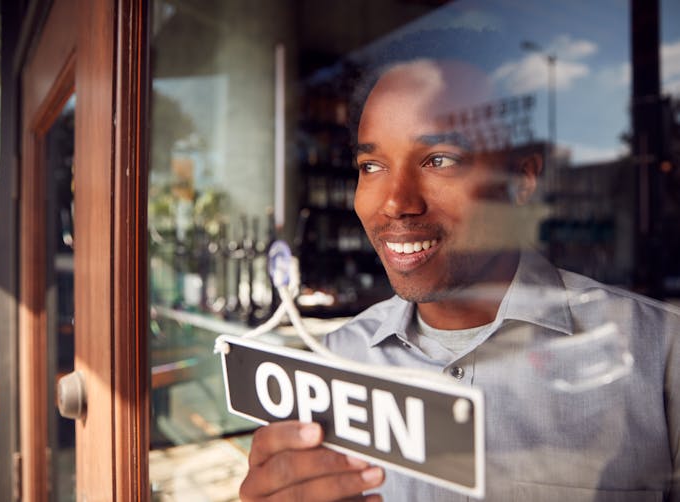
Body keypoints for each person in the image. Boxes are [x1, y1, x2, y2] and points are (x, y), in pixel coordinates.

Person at [239, 31, 680, 501]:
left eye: (439, 159)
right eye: (371, 166)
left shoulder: (660, 357)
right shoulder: (333, 365)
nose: (396, 203)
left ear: (522, 179)